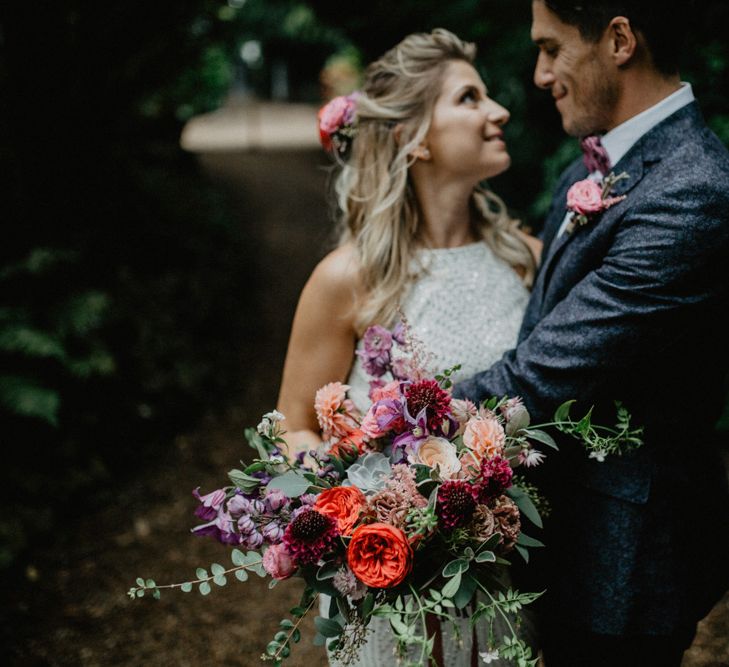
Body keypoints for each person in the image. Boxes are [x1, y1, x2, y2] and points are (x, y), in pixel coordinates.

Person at [454, 2, 729, 665]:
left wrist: (403, 427)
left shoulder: (692, 190)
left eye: (551, 48)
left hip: (626, 564)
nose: (540, 73)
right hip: (561, 539)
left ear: (618, 39)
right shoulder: (586, 171)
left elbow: (542, 372)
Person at [276, 29, 540, 667]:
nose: (498, 111)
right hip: (388, 591)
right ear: (414, 137)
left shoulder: (528, 262)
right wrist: (364, 511)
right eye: (469, 99)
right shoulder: (347, 279)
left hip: (503, 579)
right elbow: (293, 426)